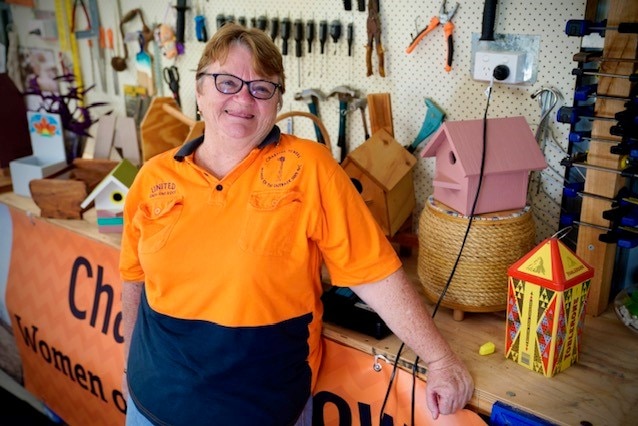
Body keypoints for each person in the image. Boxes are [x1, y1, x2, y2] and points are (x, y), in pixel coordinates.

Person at [119, 23, 473, 426]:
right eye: (226, 82)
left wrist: (440, 358)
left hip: (262, 411)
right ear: (199, 91)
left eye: (261, 87)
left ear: (276, 102)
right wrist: (130, 367)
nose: (243, 98)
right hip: (151, 405)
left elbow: (372, 272)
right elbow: (134, 280)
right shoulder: (152, 178)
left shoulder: (311, 168)